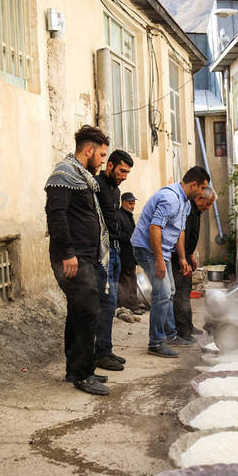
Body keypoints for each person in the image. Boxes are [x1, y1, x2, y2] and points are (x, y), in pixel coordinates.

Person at [44, 125, 111, 396]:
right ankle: (83, 375)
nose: (103, 161)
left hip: (85, 257)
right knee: (88, 312)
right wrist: (68, 253)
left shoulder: (82, 177)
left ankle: (75, 369)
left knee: (79, 312)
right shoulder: (64, 174)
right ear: (89, 151)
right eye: (102, 155)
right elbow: (56, 215)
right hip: (72, 257)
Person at [131, 166, 211, 358]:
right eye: (202, 188)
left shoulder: (185, 202)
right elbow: (155, 228)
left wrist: (182, 257)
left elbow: (179, 231)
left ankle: (170, 335)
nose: (203, 193)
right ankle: (156, 343)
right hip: (147, 249)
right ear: (194, 185)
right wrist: (159, 260)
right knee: (162, 293)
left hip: (163, 251)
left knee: (171, 291)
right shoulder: (170, 198)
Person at [93, 150, 134, 372]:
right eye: (122, 171)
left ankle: (106, 349)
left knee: (112, 301)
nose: (124, 176)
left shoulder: (116, 191)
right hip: (103, 252)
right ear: (109, 165)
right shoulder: (96, 185)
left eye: (127, 173)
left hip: (117, 251)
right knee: (106, 303)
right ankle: (101, 353)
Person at [172, 186, 216, 342]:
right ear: (199, 198)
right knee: (180, 294)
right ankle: (182, 332)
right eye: (207, 204)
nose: (208, 208)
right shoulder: (188, 210)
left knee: (187, 290)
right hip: (178, 257)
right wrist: (183, 258)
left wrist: (191, 255)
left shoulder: (197, 211)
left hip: (186, 255)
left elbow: (192, 236)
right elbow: (180, 235)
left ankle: (188, 326)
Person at [116, 192, 145, 313]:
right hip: (124, 254)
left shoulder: (128, 215)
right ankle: (130, 306)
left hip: (130, 254)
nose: (132, 206)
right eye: (130, 203)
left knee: (132, 279)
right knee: (127, 280)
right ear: (123, 203)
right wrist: (131, 238)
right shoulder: (119, 215)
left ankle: (133, 303)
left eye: (133, 203)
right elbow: (117, 234)